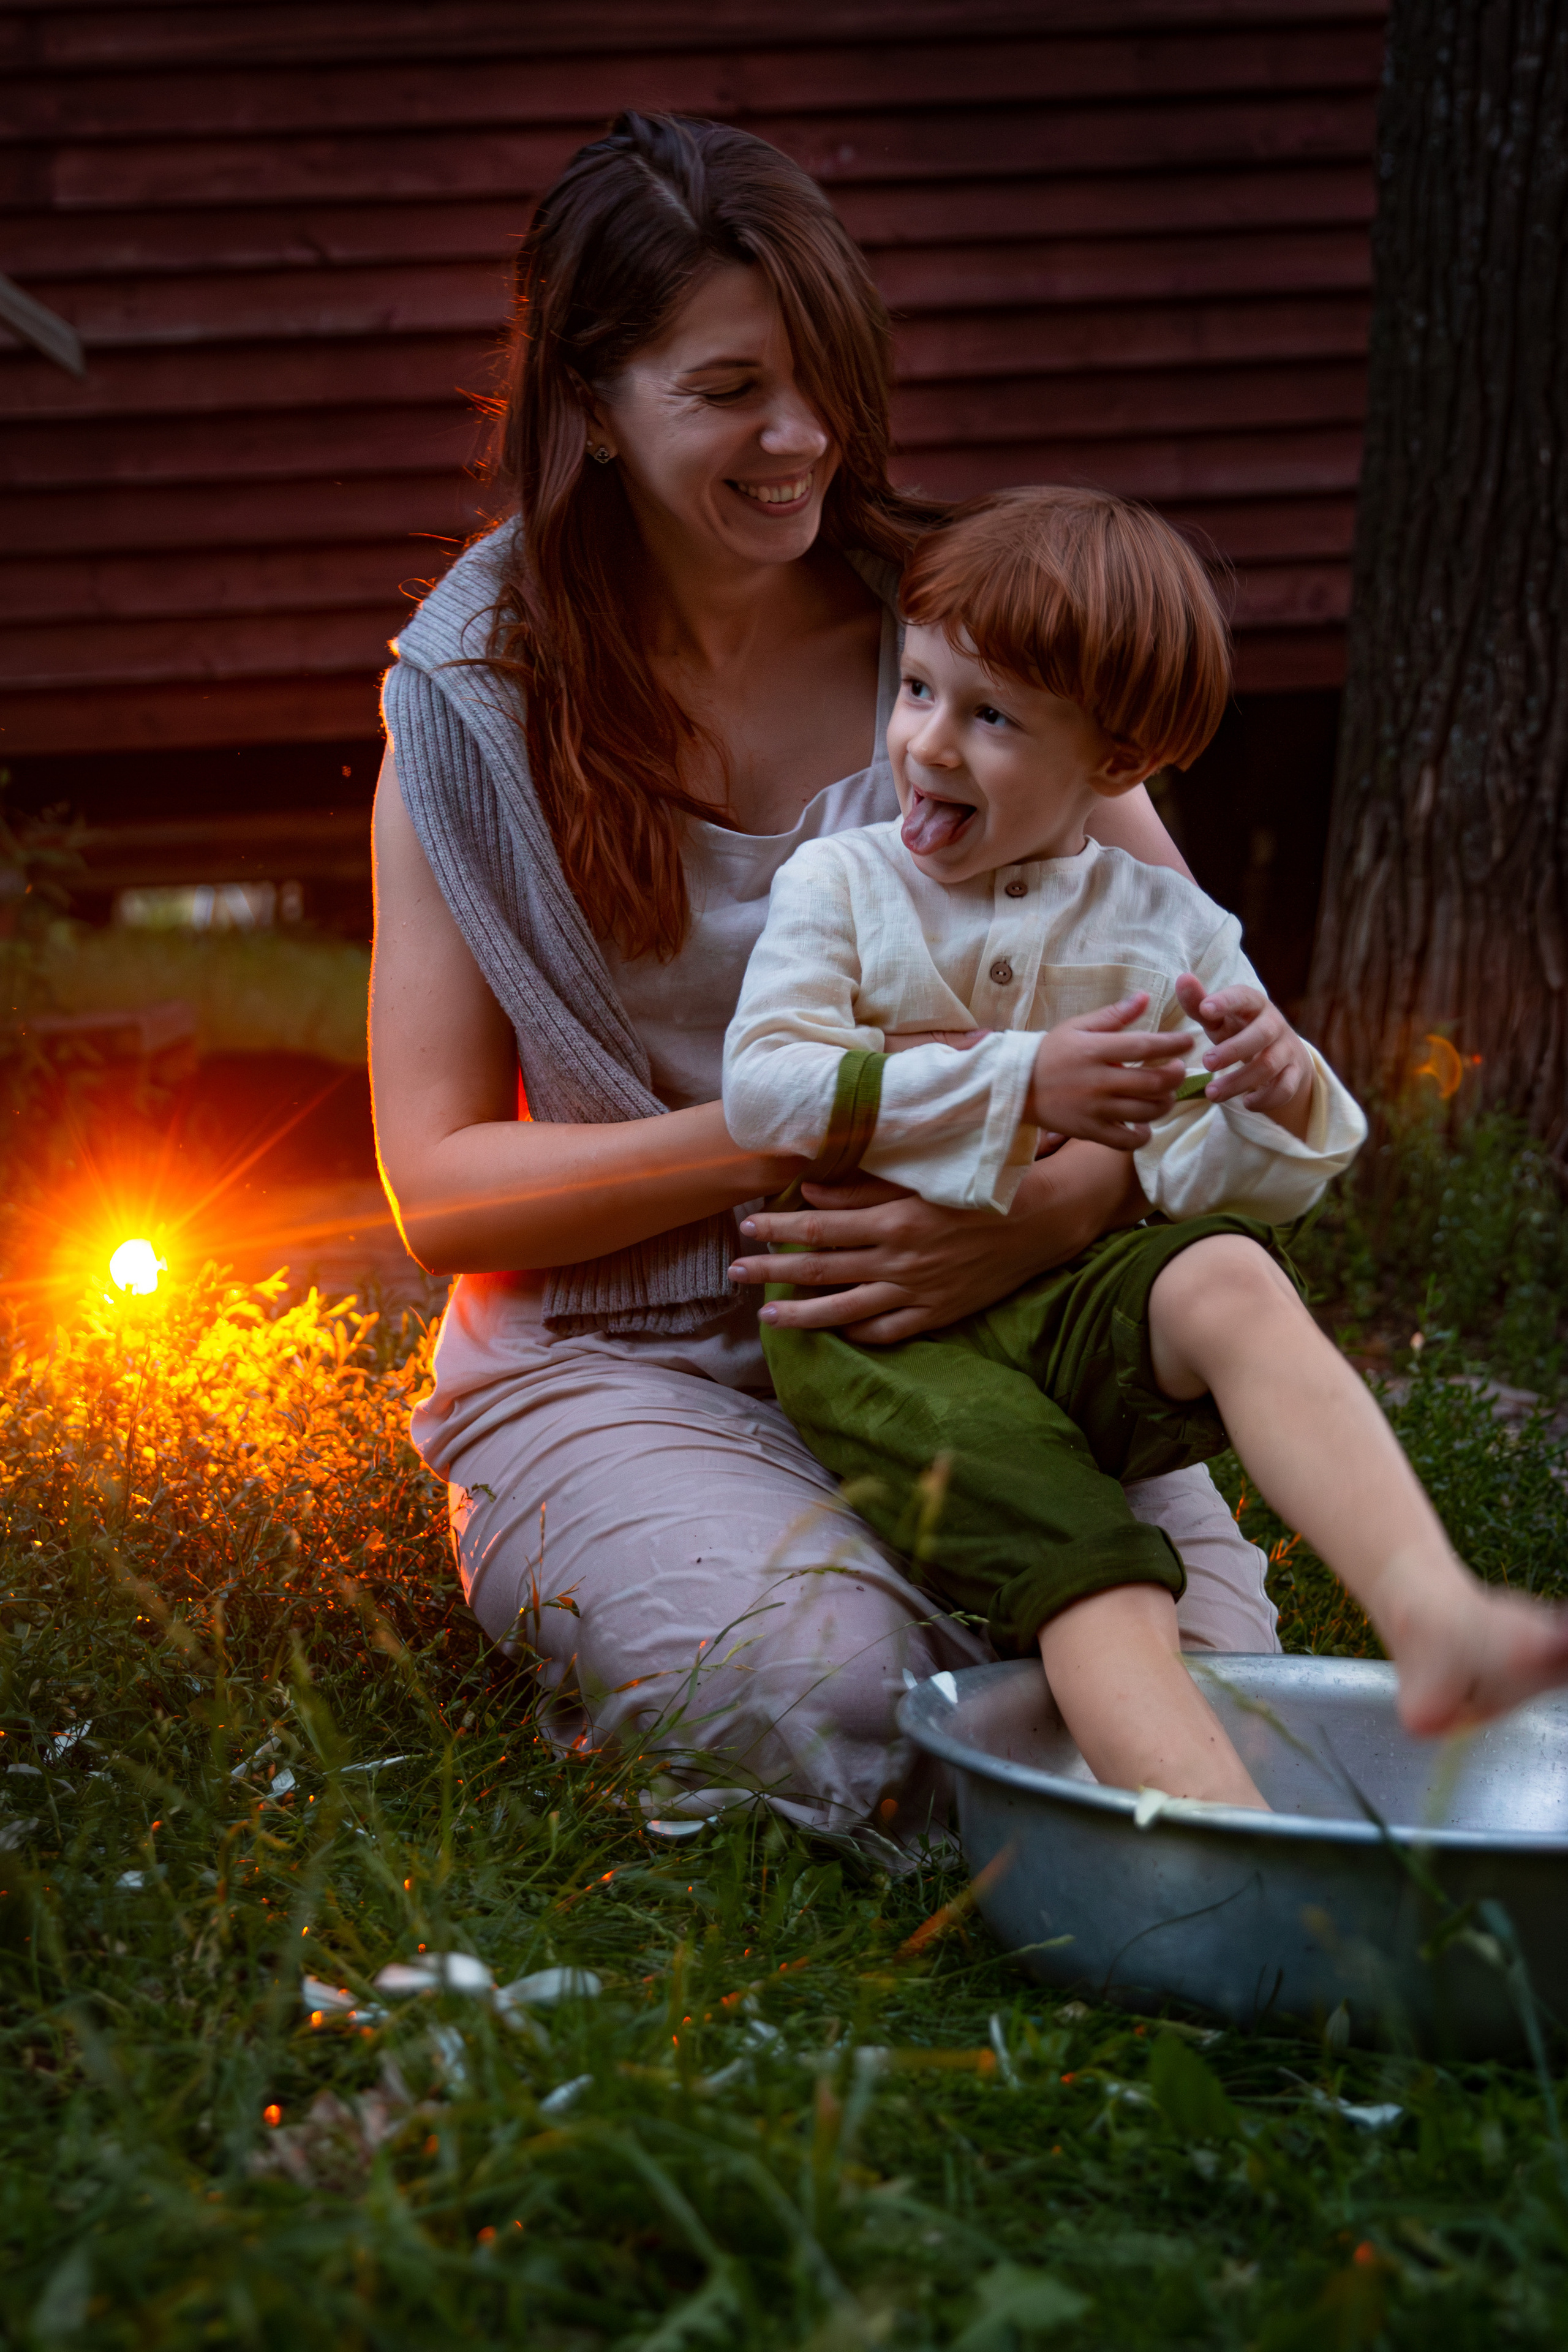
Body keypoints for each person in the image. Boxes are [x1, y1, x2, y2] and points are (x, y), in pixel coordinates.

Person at [372, 112, 1286, 1860]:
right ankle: (698, 1595)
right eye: (728, 390)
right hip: (621, 1358)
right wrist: (811, 1129)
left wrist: (1034, 1217)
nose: (803, 440)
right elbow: (440, 1191)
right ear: (592, 395)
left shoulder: (976, 633)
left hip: (986, 1329)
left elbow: (1190, 1038)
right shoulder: (469, 701)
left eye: (828, 380)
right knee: (836, 1692)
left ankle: (940, 1693)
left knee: (1213, 1686)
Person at [725, 485, 1568, 1806]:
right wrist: (1019, 1081)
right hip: (878, 1332)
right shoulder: (841, 886)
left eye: (990, 716)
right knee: (1093, 1558)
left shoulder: (1163, 926)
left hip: (1056, 1299)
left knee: (1227, 1273)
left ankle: (1433, 1615)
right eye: (919, 690)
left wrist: (1272, 1092)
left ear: (1113, 764)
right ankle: (1220, 1864)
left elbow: (1212, 1180)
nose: (928, 744)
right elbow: (764, 1094)